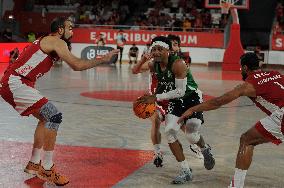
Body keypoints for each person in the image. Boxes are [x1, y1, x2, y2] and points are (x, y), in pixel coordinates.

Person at [0, 17, 118, 186]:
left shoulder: (48, 42)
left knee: (45, 118)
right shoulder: (56, 41)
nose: (73, 31)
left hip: (13, 82)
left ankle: (34, 163)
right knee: (53, 116)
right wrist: (103, 59)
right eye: (70, 28)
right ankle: (47, 168)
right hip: (16, 82)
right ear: (60, 29)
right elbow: (77, 65)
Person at [178, 52, 284, 188]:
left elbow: (218, 102)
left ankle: (236, 186)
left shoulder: (248, 85)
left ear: (245, 68)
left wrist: (193, 109)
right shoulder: (275, 73)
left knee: (246, 140)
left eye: (241, 68)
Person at [138, 36, 215, 184]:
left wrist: (155, 97)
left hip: (191, 97)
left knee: (191, 135)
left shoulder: (178, 63)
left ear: (168, 50)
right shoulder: (154, 65)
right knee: (170, 132)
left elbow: (180, 91)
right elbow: (137, 70)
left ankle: (205, 148)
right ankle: (186, 171)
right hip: (174, 101)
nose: (156, 52)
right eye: (153, 49)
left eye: (160, 49)